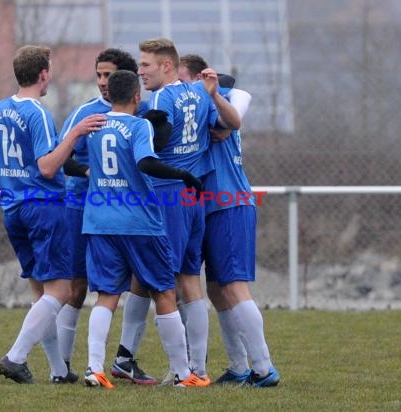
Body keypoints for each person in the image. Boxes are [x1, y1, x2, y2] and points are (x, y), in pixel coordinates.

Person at [113, 38, 241, 386]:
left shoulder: (162, 99)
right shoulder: (199, 93)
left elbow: (157, 141)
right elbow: (230, 125)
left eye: (146, 65)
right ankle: (197, 369)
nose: (140, 72)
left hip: (168, 196)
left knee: (161, 284)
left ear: (167, 66)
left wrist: (147, 126)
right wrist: (214, 95)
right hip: (194, 195)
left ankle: (180, 371)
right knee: (188, 281)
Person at [0, 44, 106, 384]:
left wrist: (12, 159)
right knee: (61, 291)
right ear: (44, 74)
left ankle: (59, 371)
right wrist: (76, 133)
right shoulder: (38, 113)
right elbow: (48, 167)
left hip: (13, 208)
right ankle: (15, 357)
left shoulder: (1, 108)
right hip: (43, 208)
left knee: (42, 293)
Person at [82, 69, 208, 389]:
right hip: (138, 222)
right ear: (137, 97)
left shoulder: (95, 126)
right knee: (164, 292)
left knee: (107, 296)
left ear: (109, 94)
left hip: (99, 221)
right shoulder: (139, 126)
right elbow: (146, 163)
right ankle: (184, 374)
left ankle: (94, 369)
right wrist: (183, 174)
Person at [55, 48, 156, 384]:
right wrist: (90, 173)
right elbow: (61, 158)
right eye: (98, 75)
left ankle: (124, 358)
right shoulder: (85, 113)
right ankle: (63, 366)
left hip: (129, 213)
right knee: (79, 284)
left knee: (141, 283)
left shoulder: (143, 113)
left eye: (108, 75)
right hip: (83, 206)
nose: (102, 82)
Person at [179, 54, 281, 387]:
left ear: (200, 80)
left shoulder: (215, 108)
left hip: (229, 204)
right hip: (209, 207)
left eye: (184, 81)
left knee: (235, 287)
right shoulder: (200, 108)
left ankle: (264, 368)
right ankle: (238, 366)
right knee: (216, 290)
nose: (180, 89)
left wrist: (213, 94)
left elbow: (237, 105)